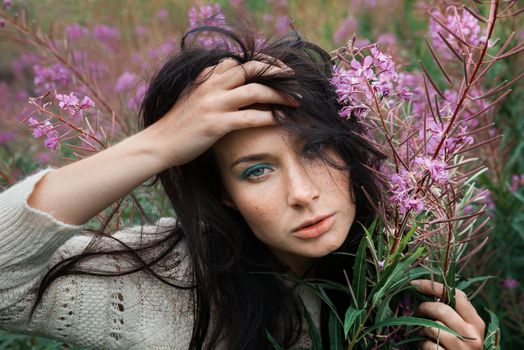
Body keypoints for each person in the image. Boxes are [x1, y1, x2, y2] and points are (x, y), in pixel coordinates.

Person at [0, 22, 485, 350]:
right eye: (256, 170)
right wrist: (158, 145)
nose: (302, 192)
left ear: (350, 152)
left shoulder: (406, 265)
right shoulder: (162, 283)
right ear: (223, 191)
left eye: (315, 149)